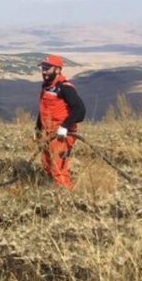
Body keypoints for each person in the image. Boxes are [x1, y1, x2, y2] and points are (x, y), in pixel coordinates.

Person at [36, 54, 85, 188]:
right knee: (46, 164)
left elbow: (80, 111)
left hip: (62, 134)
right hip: (48, 133)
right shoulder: (46, 87)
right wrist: (38, 128)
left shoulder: (65, 88)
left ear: (57, 70)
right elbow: (43, 110)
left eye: (48, 68)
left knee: (58, 169)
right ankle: (54, 194)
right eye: (43, 68)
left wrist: (65, 127)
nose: (44, 71)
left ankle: (67, 198)